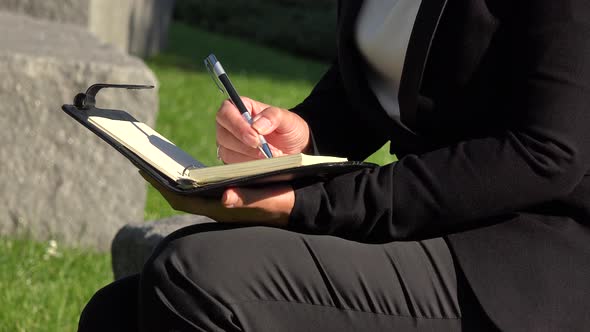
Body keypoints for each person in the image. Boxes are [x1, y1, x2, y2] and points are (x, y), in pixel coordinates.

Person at [78, 0, 590, 331]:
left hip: (524, 263)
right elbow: (381, 83)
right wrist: (304, 132)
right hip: (436, 221)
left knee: (192, 275)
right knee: (117, 316)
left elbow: (546, 152)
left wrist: (315, 202)